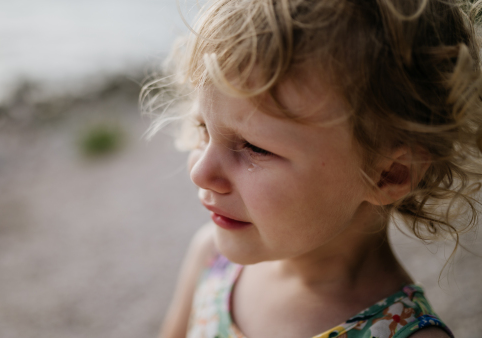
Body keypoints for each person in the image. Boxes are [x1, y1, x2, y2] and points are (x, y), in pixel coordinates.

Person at [142, 0, 482, 337]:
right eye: (203, 128)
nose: (199, 172)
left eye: (255, 147)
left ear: (388, 175)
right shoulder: (212, 259)